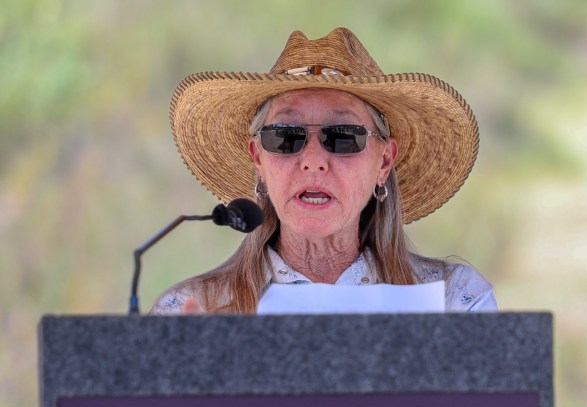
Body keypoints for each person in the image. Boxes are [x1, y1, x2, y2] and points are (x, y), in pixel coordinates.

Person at [150, 27, 498, 315]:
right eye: (285, 136)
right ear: (258, 158)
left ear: (384, 162)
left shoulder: (454, 301)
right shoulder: (189, 311)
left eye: (343, 136)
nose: (313, 160)